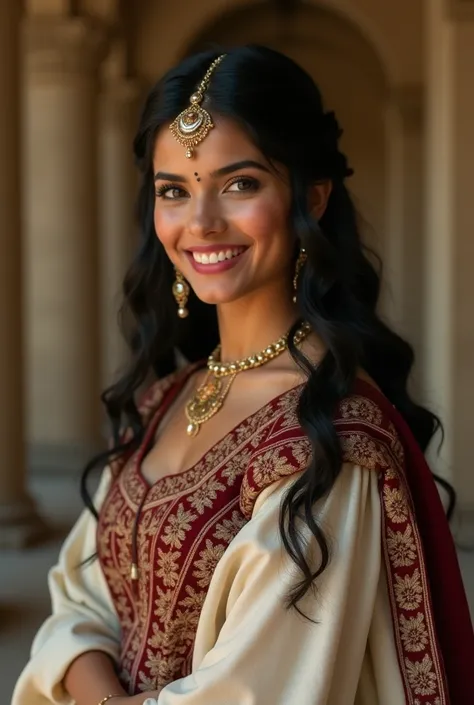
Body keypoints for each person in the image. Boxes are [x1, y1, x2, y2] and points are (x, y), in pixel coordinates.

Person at [12, 45, 473, 705]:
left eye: (239, 184)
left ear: (309, 197)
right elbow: (78, 600)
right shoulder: (166, 396)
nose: (200, 223)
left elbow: (260, 689)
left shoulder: (330, 439)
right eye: (175, 190)